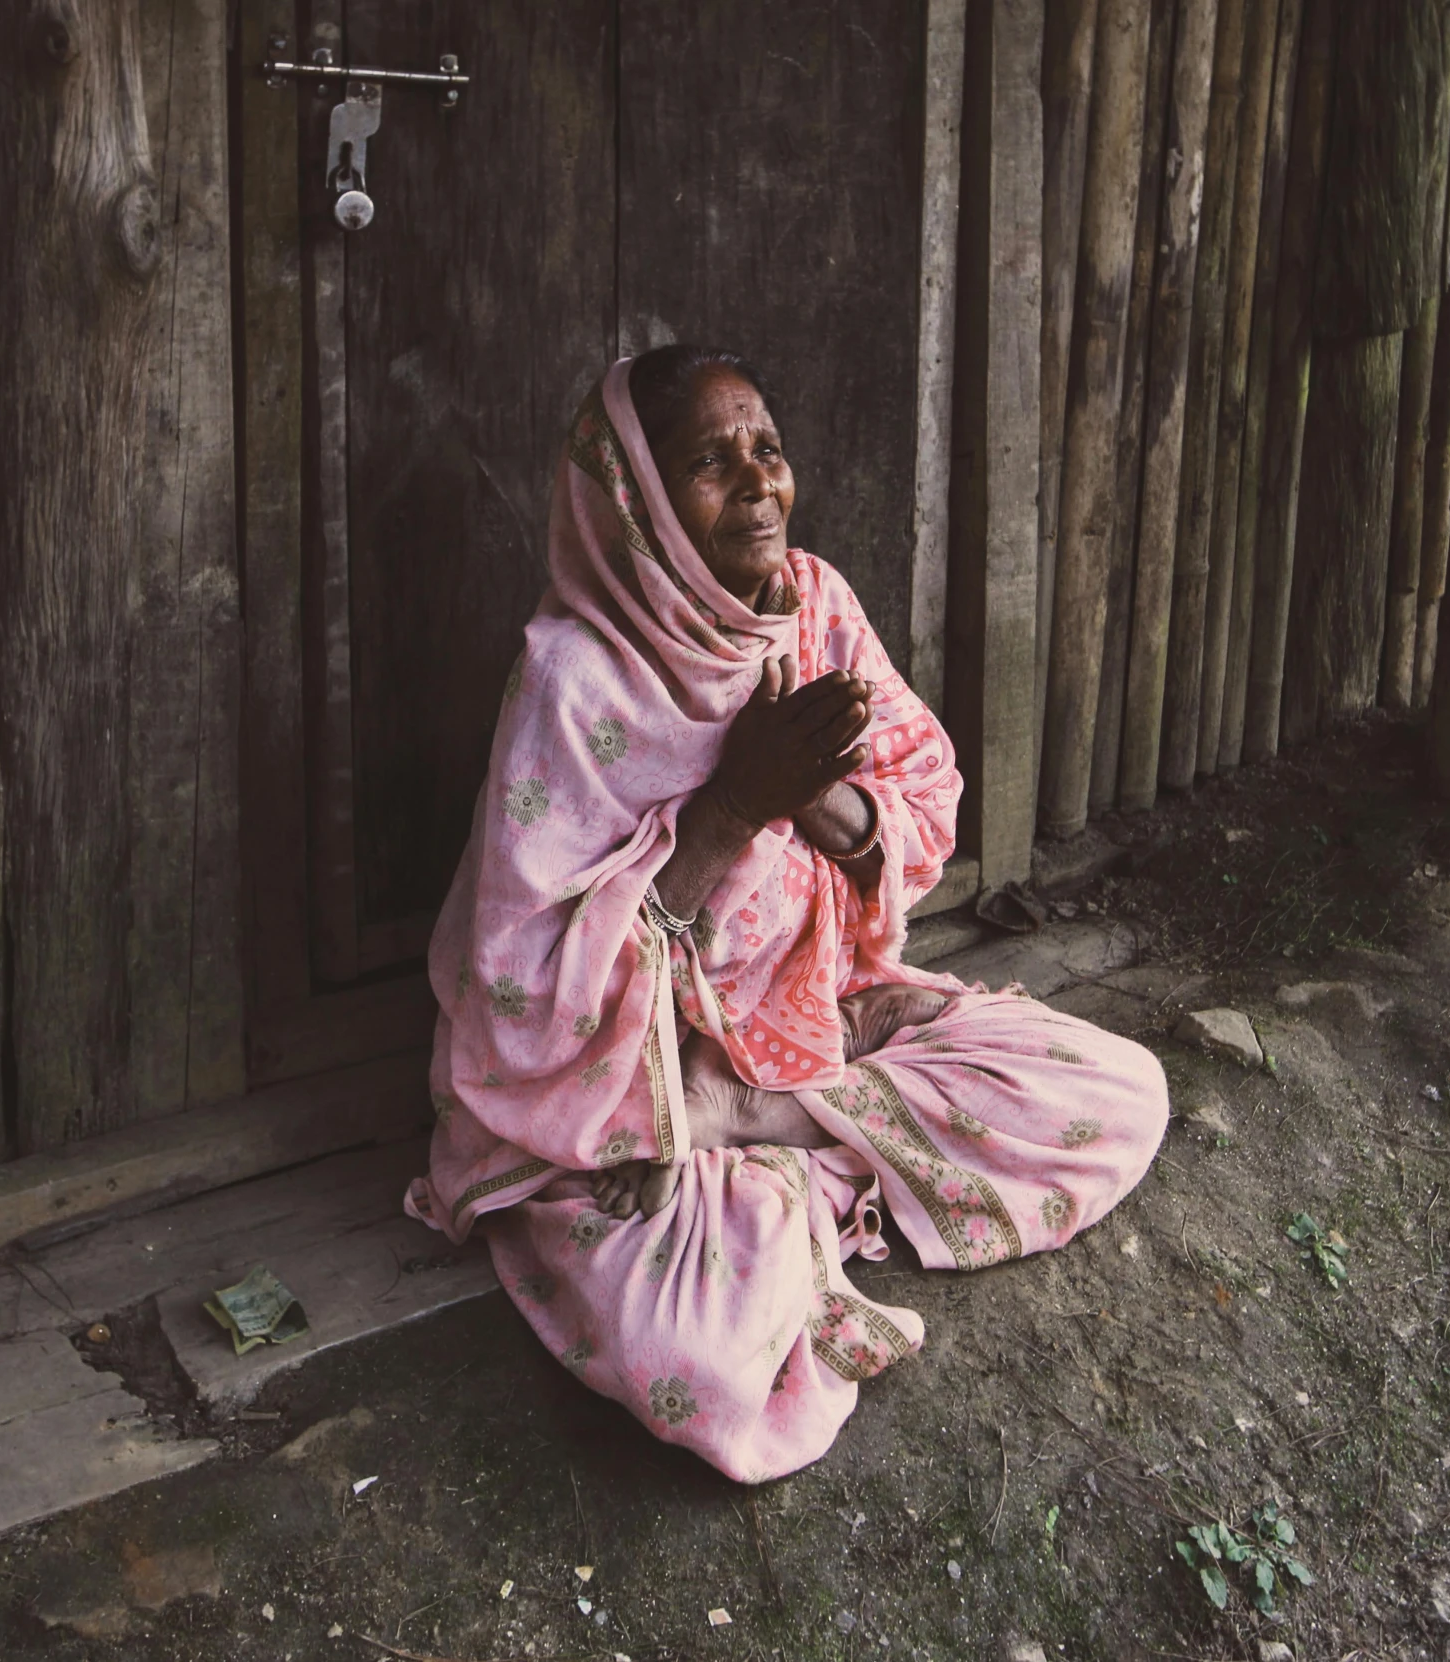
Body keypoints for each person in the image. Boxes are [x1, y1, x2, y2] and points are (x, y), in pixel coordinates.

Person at [405, 346, 1168, 1481]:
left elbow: (923, 796)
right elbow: (523, 984)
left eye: (766, 447)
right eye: (709, 463)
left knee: (1124, 1094)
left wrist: (816, 799)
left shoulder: (811, 604)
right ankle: (748, 1126)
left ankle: (758, 1124)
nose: (758, 482)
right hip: (617, 1087)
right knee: (704, 1367)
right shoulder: (572, 679)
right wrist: (727, 813)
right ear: (640, 502)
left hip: (810, 1025)